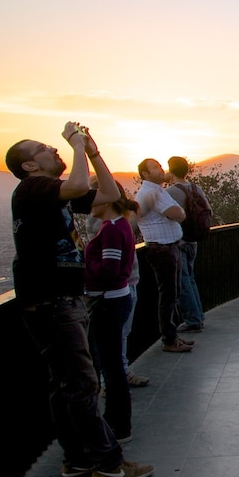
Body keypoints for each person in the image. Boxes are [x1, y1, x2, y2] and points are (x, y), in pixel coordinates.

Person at [5, 122, 154, 477]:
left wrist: (93, 152)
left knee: (65, 385)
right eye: (43, 148)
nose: (52, 150)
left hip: (57, 301)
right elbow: (75, 184)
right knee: (83, 385)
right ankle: (108, 462)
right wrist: (72, 142)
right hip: (52, 302)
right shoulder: (33, 188)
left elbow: (106, 192)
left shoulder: (48, 192)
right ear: (29, 165)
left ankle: (77, 458)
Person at [83, 182, 137, 443]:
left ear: (105, 202)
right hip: (116, 299)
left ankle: (117, 424)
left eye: (92, 200)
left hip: (108, 301)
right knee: (112, 363)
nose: (88, 206)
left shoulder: (112, 230)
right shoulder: (120, 225)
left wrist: (82, 267)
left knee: (110, 365)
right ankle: (118, 422)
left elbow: (109, 269)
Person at [136, 158, 193, 353]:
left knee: (173, 292)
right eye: (155, 167)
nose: (161, 170)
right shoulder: (151, 192)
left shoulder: (158, 190)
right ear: (145, 174)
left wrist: (178, 211)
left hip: (169, 247)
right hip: (162, 248)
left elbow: (178, 212)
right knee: (168, 294)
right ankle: (169, 339)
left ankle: (172, 334)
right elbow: (179, 214)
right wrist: (179, 212)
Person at [165, 156, 208, 333]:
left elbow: (166, 214)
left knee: (182, 281)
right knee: (190, 278)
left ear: (171, 170)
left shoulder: (170, 192)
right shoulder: (196, 188)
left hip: (180, 240)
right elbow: (208, 209)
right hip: (194, 240)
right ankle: (198, 314)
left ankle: (192, 319)